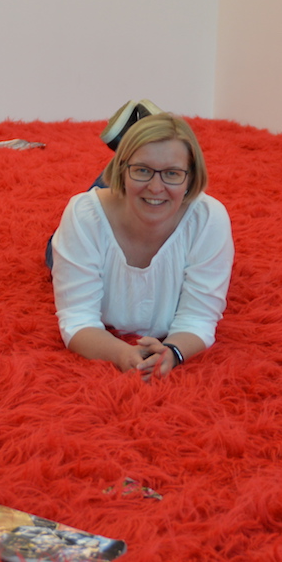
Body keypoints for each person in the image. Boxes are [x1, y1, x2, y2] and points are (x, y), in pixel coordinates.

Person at [49, 103, 234, 381]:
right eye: (143, 170)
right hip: (102, 215)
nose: (157, 187)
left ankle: (143, 146)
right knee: (53, 254)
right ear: (121, 169)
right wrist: (122, 354)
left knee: (147, 195)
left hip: (138, 205)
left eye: (172, 173)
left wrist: (174, 352)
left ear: (192, 177)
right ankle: (142, 151)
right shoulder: (83, 216)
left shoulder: (209, 219)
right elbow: (77, 320)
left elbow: (199, 320)